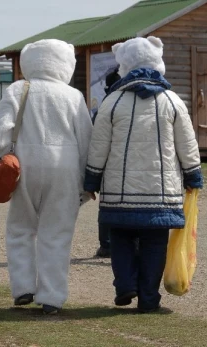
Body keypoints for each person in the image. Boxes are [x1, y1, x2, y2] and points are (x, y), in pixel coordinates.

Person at [84, 36, 203, 313]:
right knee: (154, 243)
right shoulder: (172, 101)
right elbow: (187, 144)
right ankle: (149, 300)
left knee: (121, 238)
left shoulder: (112, 101)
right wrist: (193, 177)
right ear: (158, 62)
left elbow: (98, 146)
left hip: (118, 191)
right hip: (161, 191)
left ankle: (125, 285)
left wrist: (91, 181)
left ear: (123, 64)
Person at [0, 39, 93, 315]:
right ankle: (52, 298)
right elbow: (86, 140)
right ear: (64, 63)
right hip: (65, 169)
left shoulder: (18, 89)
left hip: (24, 167)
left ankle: (23, 289)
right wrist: (87, 181)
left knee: (20, 229)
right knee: (57, 234)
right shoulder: (73, 96)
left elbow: (0, 132)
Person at [93, 68, 121, 259]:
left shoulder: (107, 104)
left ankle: (107, 245)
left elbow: (97, 138)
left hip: (110, 163)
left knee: (107, 204)